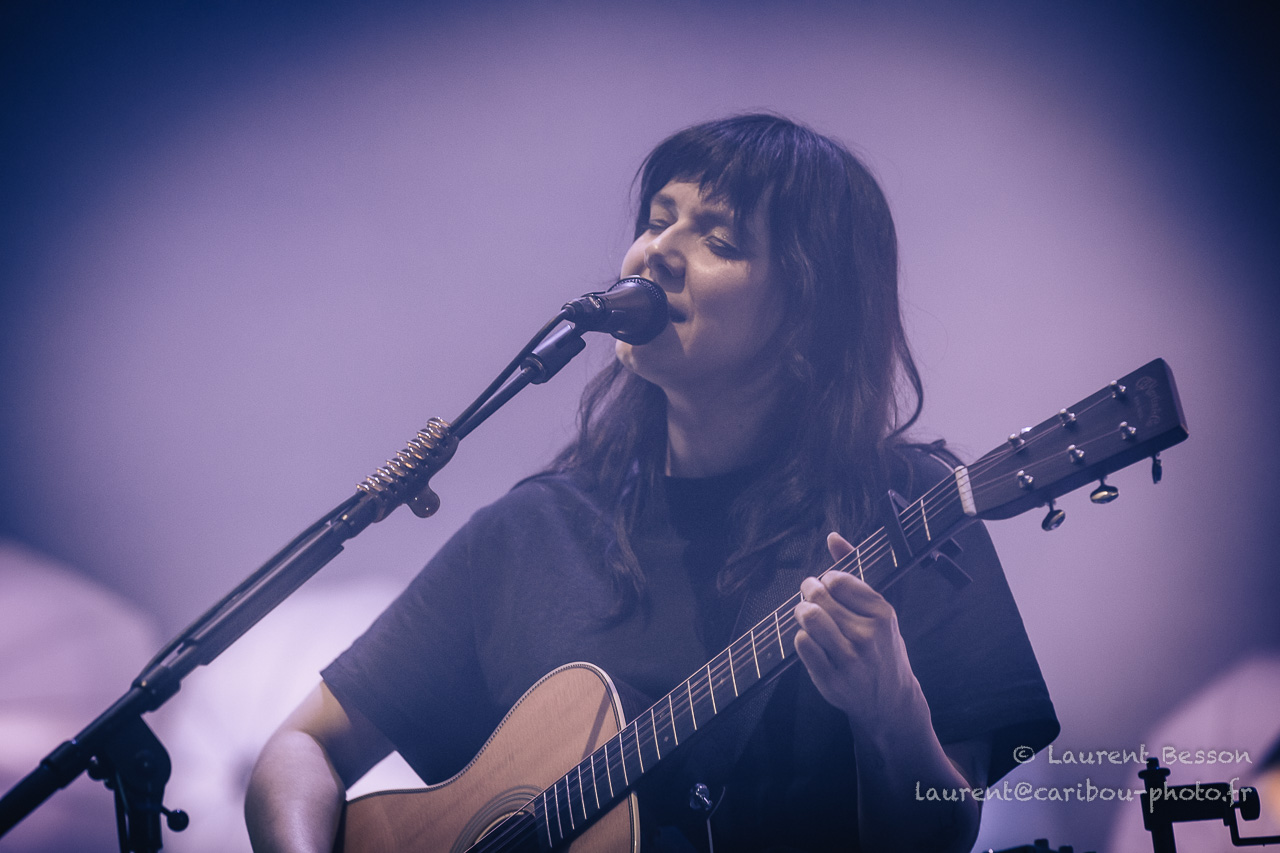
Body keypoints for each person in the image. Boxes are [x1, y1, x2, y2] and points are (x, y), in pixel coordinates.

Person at [244, 113, 1059, 852]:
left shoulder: (905, 511)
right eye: (657, 218)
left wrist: (889, 711)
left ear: (808, 312)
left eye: (720, 239)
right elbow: (299, 747)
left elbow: (937, 836)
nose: (658, 250)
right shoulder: (532, 532)